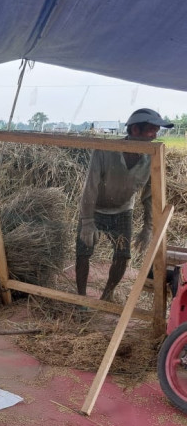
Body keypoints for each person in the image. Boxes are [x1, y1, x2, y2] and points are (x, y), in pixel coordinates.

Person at [76, 108, 174, 302]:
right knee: (82, 253)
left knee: (123, 255)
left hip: (122, 211)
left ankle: (107, 295)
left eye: (157, 131)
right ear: (135, 130)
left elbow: (150, 196)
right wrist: (87, 221)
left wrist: (148, 228)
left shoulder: (151, 156)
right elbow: (91, 186)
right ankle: (80, 298)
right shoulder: (105, 151)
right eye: (151, 130)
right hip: (94, 209)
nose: (155, 136)